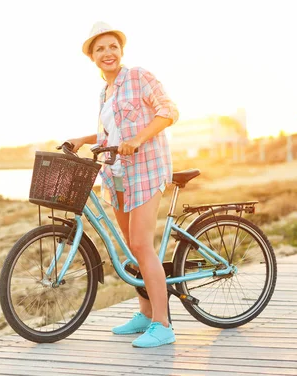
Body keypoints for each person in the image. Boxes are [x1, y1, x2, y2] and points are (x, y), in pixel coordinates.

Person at [67, 21, 179, 348]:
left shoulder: (139, 77)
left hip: (145, 170)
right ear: (92, 57)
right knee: (133, 248)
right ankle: (145, 314)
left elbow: (169, 112)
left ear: (121, 51)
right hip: (116, 174)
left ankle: (163, 324)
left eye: (112, 47)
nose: (108, 53)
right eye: (100, 49)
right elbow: (107, 136)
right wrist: (82, 138)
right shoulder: (105, 91)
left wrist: (138, 140)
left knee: (143, 245)